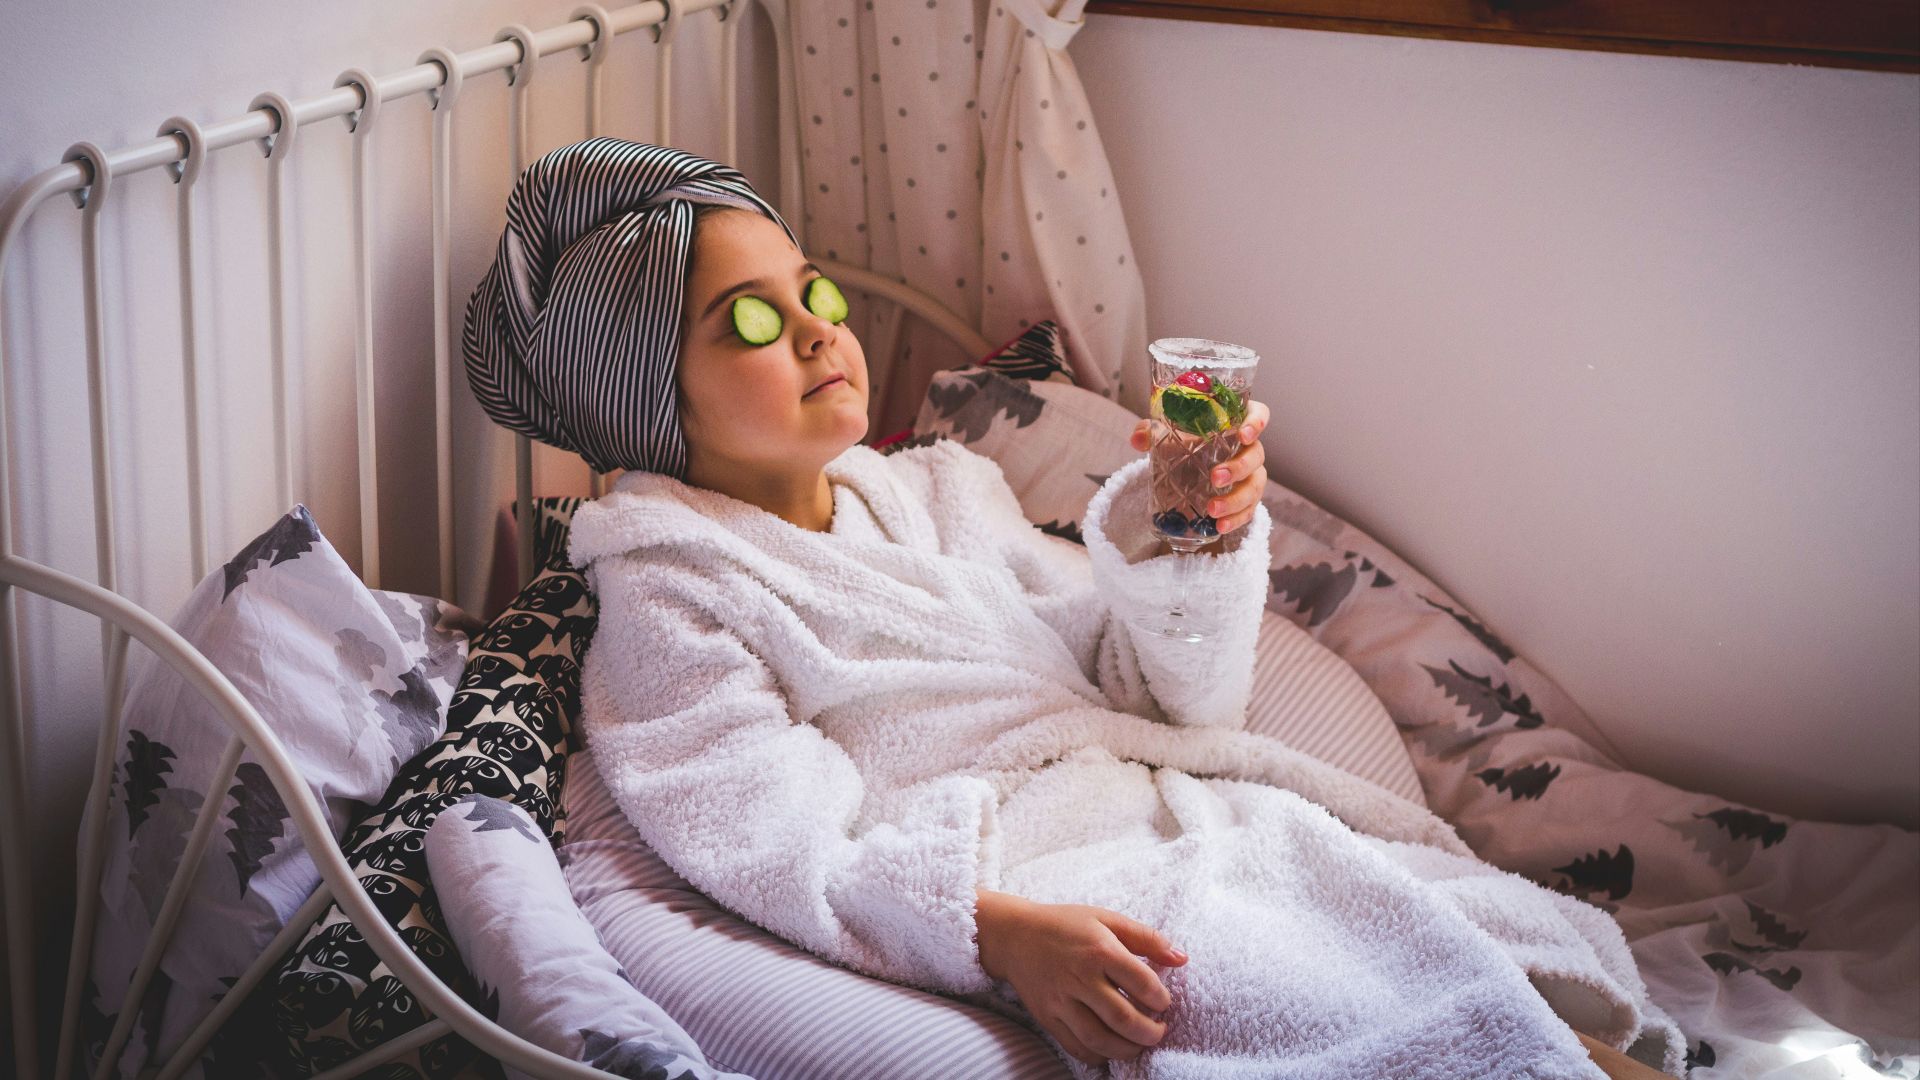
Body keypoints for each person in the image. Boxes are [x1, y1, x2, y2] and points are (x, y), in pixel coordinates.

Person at [464, 138, 1686, 1080]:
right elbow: (775, 842)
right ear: (640, 397)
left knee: (1459, 939)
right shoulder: (669, 590)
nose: (815, 333)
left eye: (813, 292)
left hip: (1164, 805)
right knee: (1326, 993)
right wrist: (994, 933)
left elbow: (1140, 686)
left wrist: (1177, 532)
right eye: (746, 320)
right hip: (1044, 874)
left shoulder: (943, 486)